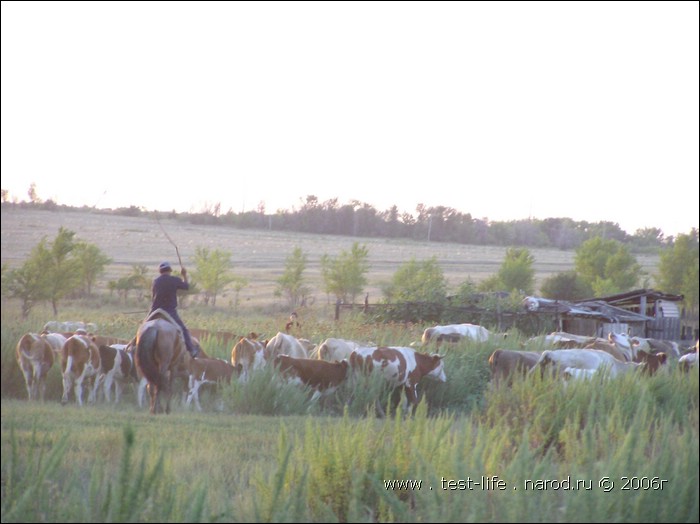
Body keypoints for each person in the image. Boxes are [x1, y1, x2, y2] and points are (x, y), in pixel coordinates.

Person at [149, 261, 199, 358]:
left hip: (155, 310)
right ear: (170, 270)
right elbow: (186, 286)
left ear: (160, 271)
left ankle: (134, 344)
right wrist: (184, 275)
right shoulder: (174, 280)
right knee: (183, 329)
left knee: (143, 326)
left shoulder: (155, 281)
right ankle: (191, 349)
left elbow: (153, 297)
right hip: (169, 311)